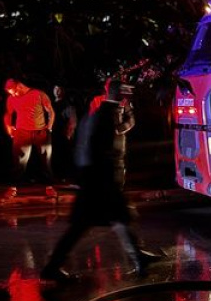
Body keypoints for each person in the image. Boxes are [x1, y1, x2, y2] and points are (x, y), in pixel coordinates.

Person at [41, 81, 159, 282]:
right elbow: (101, 153)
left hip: (93, 180)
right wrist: (107, 181)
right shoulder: (106, 116)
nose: (129, 96)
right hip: (98, 182)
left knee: (118, 218)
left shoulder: (99, 114)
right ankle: (52, 267)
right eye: (126, 93)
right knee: (87, 225)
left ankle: (138, 257)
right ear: (121, 95)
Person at [4, 78, 56, 198]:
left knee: (45, 159)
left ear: (19, 86)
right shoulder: (11, 98)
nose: (13, 95)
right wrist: (9, 128)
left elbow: (51, 111)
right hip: (21, 132)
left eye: (13, 92)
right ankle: (13, 187)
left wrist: (49, 128)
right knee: (18, 161)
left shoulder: (39, 94)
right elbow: (8, 113)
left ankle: (49, 187)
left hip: (40, 131)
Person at [51, 85, 78, 182]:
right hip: (53, 134)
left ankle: (64, 176)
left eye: (60, 89)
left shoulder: (68, 105)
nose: (57, 91)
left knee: (64, 155)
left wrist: (68, 133)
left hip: (63, 135)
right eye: (56, 89)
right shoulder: (51, 104)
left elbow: (72, 121)